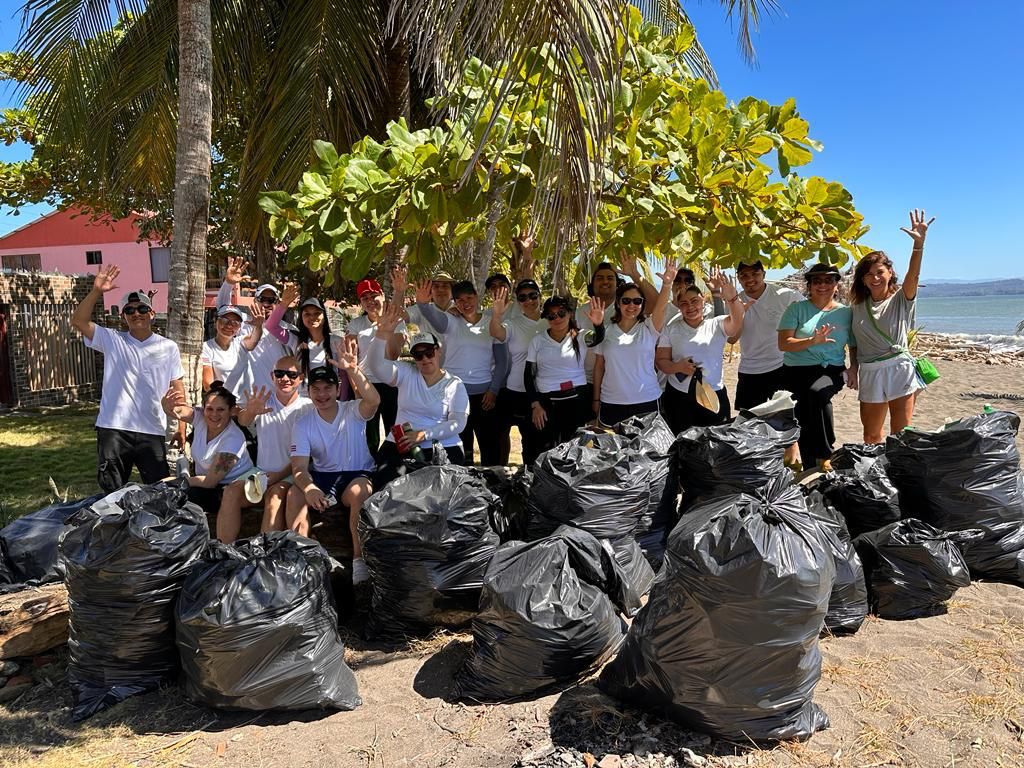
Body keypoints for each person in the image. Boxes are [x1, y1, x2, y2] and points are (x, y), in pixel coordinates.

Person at [71, 265, 185, 492]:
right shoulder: (112, 340)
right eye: (129, 310)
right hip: (114, 429)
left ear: (152, 314)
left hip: (152, 428)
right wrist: (96, 291)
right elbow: (79, 322)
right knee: (112, 493)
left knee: (159, 492)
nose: (136, 314)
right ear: (124, 317)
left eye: (142, 309)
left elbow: (177, 388)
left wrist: (181, 427)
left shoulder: (168, 347)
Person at [287, 361, 379, 584]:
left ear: (338, 389)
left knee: (359, 492)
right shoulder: (302, 423)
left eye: (327, 388)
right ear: (309, 392)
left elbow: (374, 400)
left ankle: (359, 560)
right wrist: (309, 488)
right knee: (294, 493)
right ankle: (299, 558)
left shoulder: (352, 410)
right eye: (316, 389)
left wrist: (352, 370)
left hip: (356, 473)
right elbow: (299, 467)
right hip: (323, 477)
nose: (322, 394)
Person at [851, 209, 935, 443]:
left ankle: (898, 467)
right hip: (870, 370)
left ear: (890, 273)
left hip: (899, 368)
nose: (875, 278)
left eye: (880, 272)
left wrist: (918, 245)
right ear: (863, 279)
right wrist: (853, 367)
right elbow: (854, 341)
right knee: (871, 435)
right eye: (868, 274)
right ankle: (875, 467)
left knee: (900, 433)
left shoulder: (901, 299)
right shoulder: (857, 307)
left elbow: (913, 276)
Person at [368, 303, 470, 484]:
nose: (424, 359)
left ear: (438, 351)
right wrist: (382, 334)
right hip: (401, 443)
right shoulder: (407, 372)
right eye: (418, 354)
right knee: (384, 485)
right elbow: (377, 366)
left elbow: (458, 423)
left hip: (443, 446)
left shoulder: (454, 384)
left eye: (429, 352)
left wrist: (423, 435)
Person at [412, 278, 509, 465]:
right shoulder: (451, 321)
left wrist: (493, 390)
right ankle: (462, 480)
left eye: (469, 298)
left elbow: (502, 362)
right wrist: (423, 303)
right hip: (455, 394)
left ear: (477, 297)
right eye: (460, 300)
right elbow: (434, 318)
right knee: (461, 449)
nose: (466, 304)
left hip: (485, 396)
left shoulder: (492, 323)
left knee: (490, 447)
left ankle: (491, 482)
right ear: (455, 302)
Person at [777, 262, 858, 470]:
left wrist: (854, 368)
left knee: (818, 394)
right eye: (817, 281)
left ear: (836, 285)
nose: (823, 285)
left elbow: (853, 344)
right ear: (810, 286)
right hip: (796, 370)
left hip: (831, 369)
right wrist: (812, 341)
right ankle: (809, 463)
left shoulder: (846, 313)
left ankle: (825, 454)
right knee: (803, 412)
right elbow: (784, 344)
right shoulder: (796, 309)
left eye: (829, 280)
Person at [161, 382, 255, 541]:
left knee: (179, 495)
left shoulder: (233, 439)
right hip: (205, 485)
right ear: (203, 409)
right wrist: (166, 405)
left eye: (221, 409)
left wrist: (177, 481)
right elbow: (177, 410)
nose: (214, 414)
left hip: (227, 488)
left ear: (231, 411)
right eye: (209, 409)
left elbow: (210, 482)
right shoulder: (200, 418)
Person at [656, 268, 744, 434]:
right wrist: (678, 367)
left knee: (714, 441)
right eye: (684, 303)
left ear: (703, 300)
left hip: (713, 394)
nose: (690, 306)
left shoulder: (716, 324)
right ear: (679, 306)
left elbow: (737, 322)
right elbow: (661, 361)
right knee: (681, 441)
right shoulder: (671, 329)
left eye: (694, 301)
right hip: (679, 396)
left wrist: (732, 299)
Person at [235, 355, 312, 535]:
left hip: (293, 473)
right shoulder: (263, 402)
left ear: (301, 378)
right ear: (272, 376)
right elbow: (243, 421)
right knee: (230, 493)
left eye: (291, 375)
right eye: (279, 374)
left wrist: (278, 476)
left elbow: (309, 455)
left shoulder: (309, 407)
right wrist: (251, 411)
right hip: (261, 473)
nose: (285, 378)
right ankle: (223, 546)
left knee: (274, 496)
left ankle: (264, 549)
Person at [593, 261, 677, 426]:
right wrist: (596, 399)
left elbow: (661, 308)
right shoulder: (606, 330)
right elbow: (599, 367)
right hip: (612, 401)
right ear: (618, 303)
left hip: (647, 400)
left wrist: (667, 285)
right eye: (626, 301)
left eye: (637, 301)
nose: (631, 305)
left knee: (647, 444)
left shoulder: (649, 327)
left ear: (642, 304)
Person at [527, 296, 606, 453]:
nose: (557, 318)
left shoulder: (581, 336)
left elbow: (597, 338)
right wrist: (536, 405)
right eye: (551, 316)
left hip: (576, 400)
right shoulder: (537, 340)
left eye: (561, 313)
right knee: (546, 450)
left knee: (575, 450)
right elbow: (529, 375)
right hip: (546, 403)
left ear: (570, 313)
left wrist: (599, 325)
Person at [489, 279, 546, 465]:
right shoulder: (513, 323)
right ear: (518, 301)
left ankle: (534, 478)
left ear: (540, 296)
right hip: (515, 390)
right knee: (501, 439)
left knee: (534, 444)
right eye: (522, 297)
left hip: (541, 391)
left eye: (533, 295)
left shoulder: (551, 322)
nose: (528, 301)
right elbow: (496, 332)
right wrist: (496, 315)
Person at [345, 278, 406, 451]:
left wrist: (387, 329)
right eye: (365, 298)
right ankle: (369, 464)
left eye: (374, 296)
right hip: (366, 384)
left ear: (383, 296)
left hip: (391, 383)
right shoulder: (356, 324)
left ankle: (397, 463)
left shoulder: (397, 322)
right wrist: (356, 389)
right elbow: (350, 359)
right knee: (368, 435)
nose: (370, 301)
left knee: (395, 430)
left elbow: (394, 354)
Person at [734, 260, 803, 410]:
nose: (750, 279)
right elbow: (731, 339)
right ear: (738, 278)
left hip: (782, 366)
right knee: (748, 419)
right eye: (744, 275)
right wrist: (739, 313)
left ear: (764, 274)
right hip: (749, 369)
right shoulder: (735, 302)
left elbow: (808, 315)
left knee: (784, 417)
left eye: (755, 274)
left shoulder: (786, 295)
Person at [216, 256, 293, 391]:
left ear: (278, 303)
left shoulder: (286, 329)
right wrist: (228, 283)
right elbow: (223, 308)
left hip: (277, 395)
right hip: (246, 396)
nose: (266, 304)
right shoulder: (243, 322)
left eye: (271, 300)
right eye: (262, 299)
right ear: (254, 301)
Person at [264, 285, 348, 397]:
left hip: (329, 398)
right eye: (307, 314)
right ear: (301, 317)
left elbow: (344, 374)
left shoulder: (337, 341)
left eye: (317, 313)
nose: (312, 317)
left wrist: (343, 400)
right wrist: (284, 304)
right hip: (303, 399)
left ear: (324, 316)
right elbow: (270, 326)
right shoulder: (296, 340)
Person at [200, 303, 265, 397]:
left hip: (248, 402)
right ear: (215, 321)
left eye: (235, 322)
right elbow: (207, 384)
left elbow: (254, 340)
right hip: (225, 403)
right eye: (224, 320)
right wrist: (225, 402)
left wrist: (258, 326)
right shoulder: (206, 348)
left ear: (239, 327)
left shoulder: (240, 343)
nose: (229, 325)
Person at [406, 270, 455, 340]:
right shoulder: (421, 309)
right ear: (430, 291)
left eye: (445, 286)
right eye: (436, 286)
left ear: (452, 291)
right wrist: (399, 292)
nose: (441, 289)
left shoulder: (462, 308)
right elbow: (399, 317)